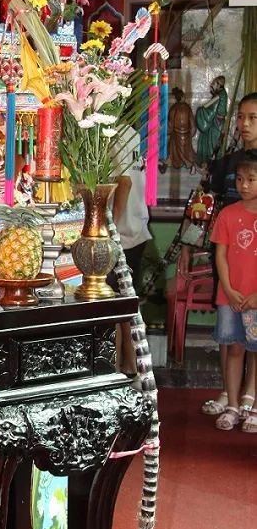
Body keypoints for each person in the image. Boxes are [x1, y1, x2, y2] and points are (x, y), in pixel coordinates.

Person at [200, 93, 257, 418]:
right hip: (228, 253)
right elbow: (212, 207)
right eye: (240, 117)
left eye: (252, 117)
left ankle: (251, 392)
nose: (244, 124)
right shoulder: (227, 162)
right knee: (229, 329)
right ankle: (230, 392)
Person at [209, 149, 257, 432]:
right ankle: (233, 406)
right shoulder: (228, 214)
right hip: (231, 298)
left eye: (251, 179)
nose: (244, 185)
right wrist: (227, 288)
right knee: (235, 348)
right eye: (240, 179)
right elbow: (221, 256)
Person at [111, 151, 151, 375]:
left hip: (122, 236)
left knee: (117, 306)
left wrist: (109, 228)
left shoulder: (115, 136)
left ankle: (120, 368)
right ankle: (128, 366)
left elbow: (124, 183)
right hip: (134, 230)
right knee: (125, 305)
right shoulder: (134, 134)